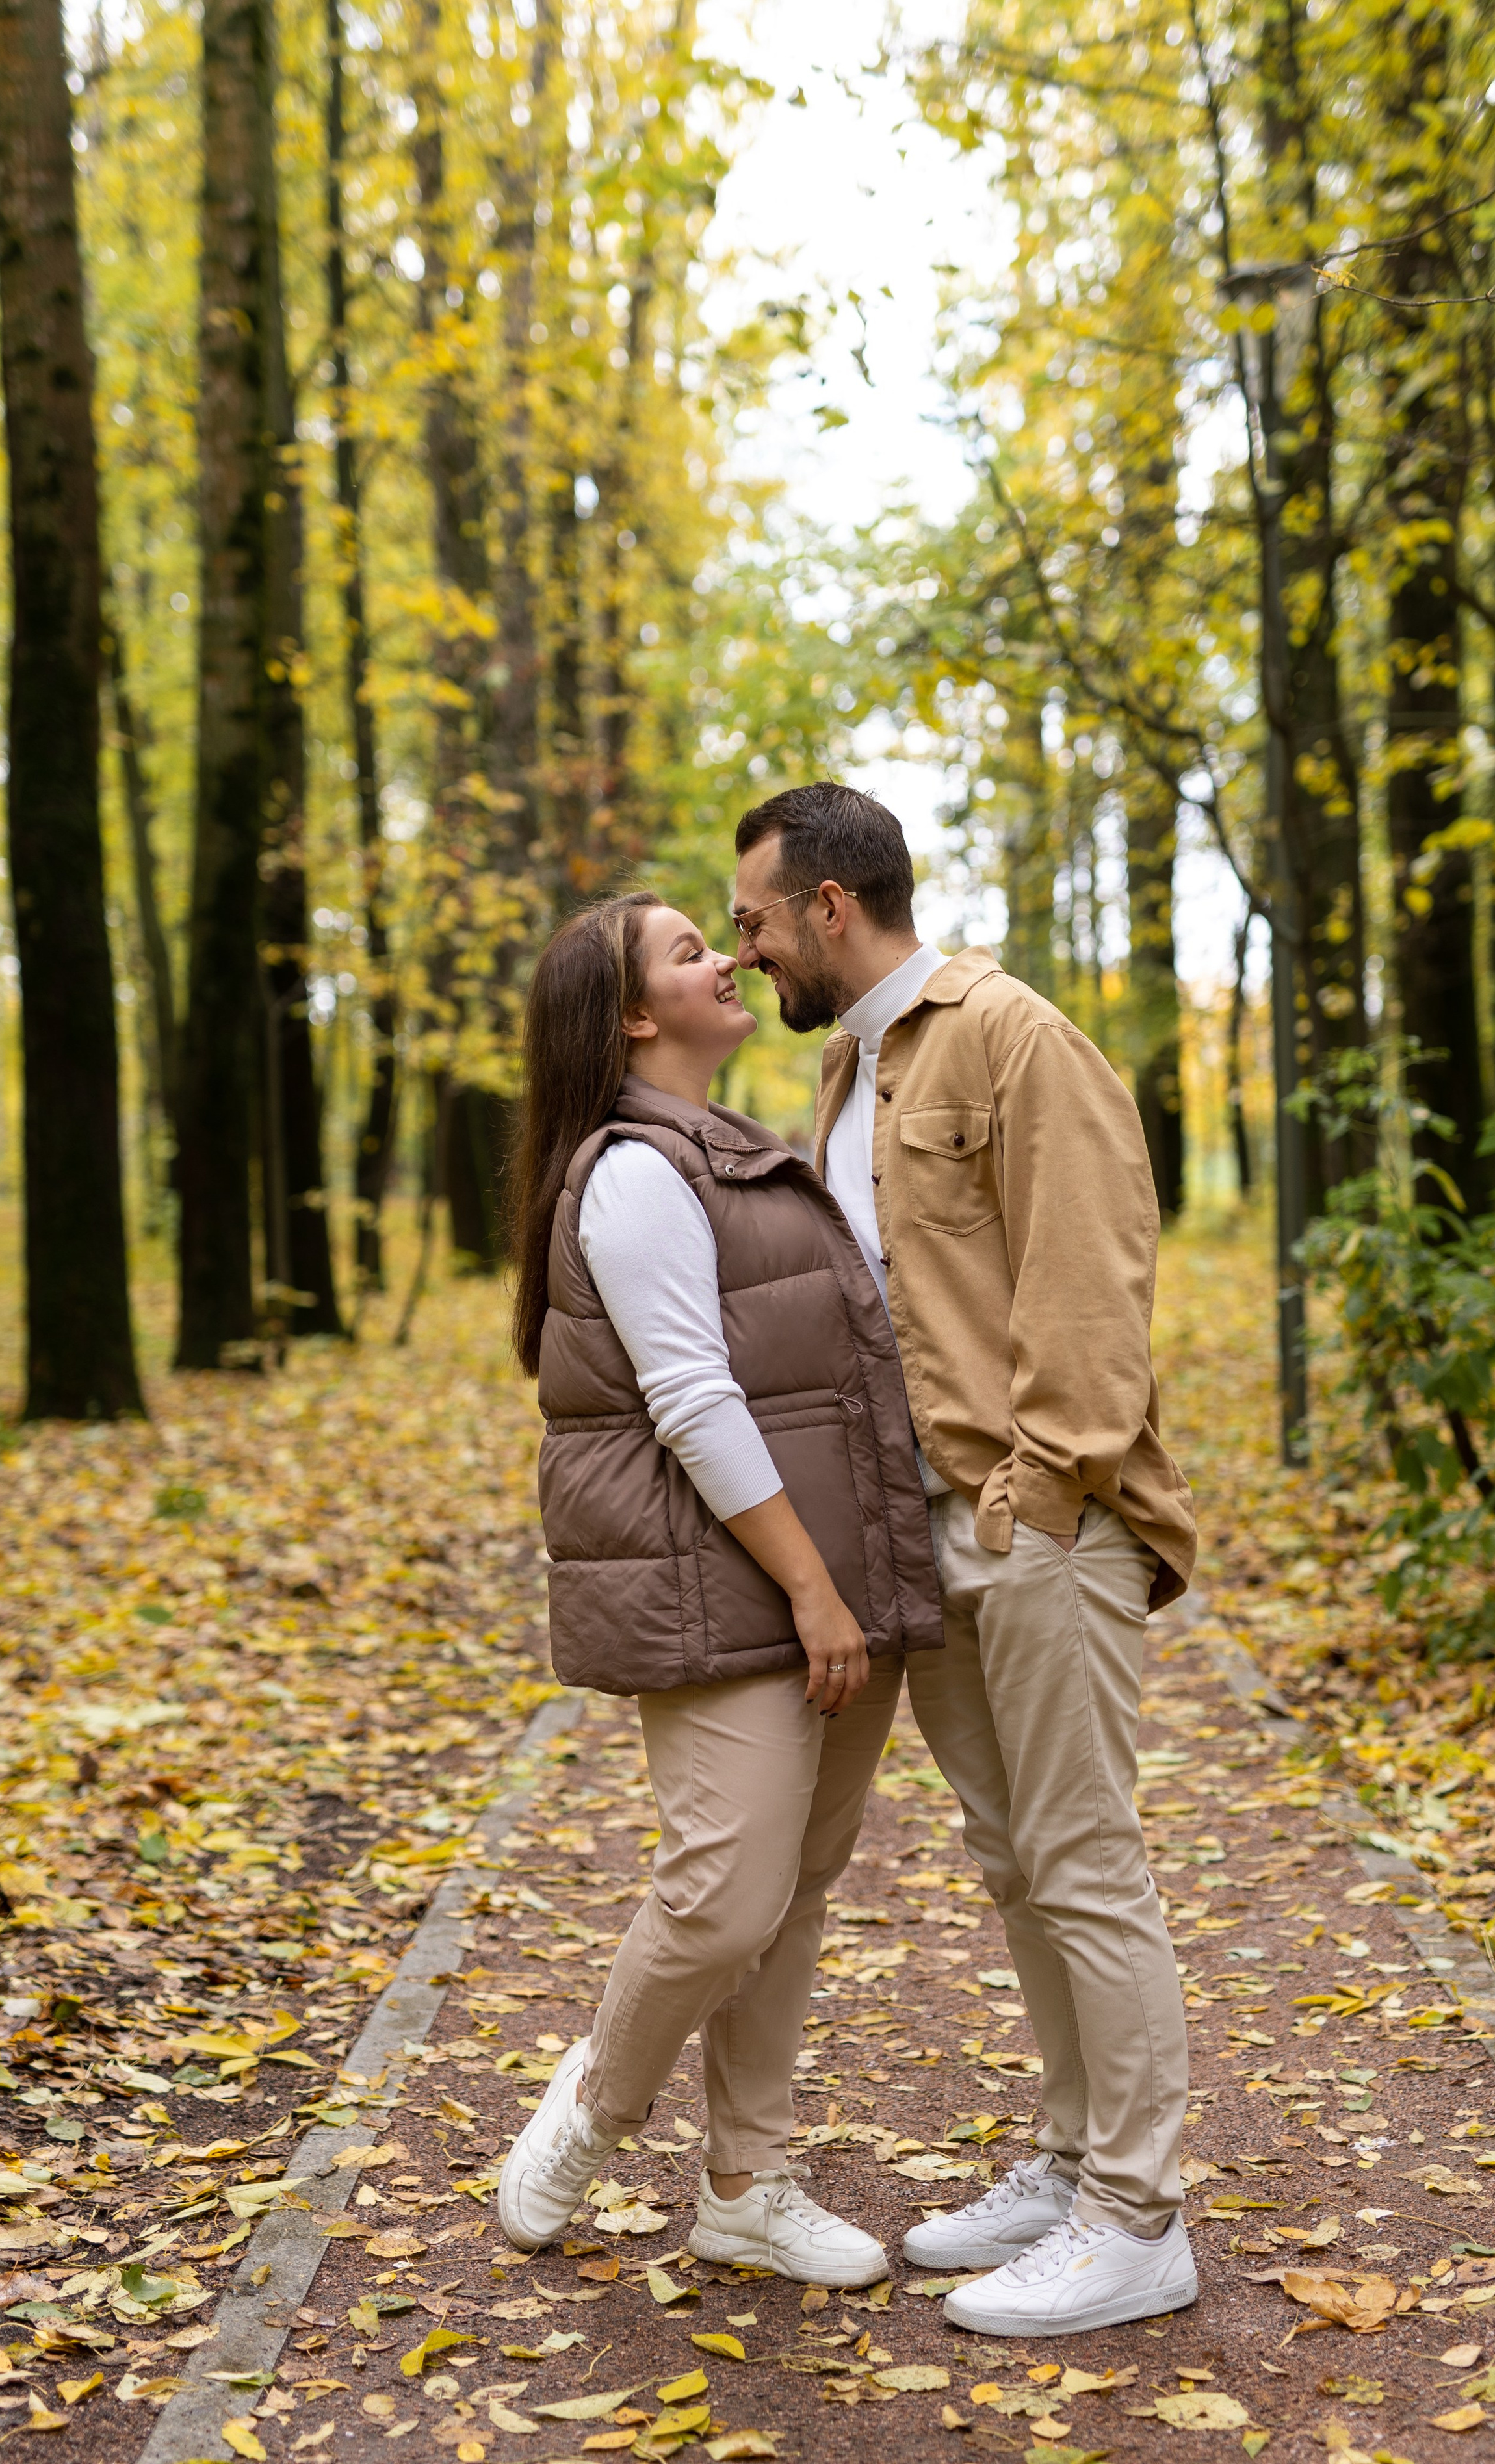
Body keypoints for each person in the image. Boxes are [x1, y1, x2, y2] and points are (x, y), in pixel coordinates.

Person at [731, 782, 1201, 2339]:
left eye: (753, 921)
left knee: (1082, 1859)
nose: (742, 953)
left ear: (830, 906)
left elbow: (1091, 1276)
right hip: (930, 1532)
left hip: (1036, 1523)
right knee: (1014, 1862)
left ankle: (1137, 2218)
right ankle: (1071, 2166)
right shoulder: (848, 1066)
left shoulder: (1010, 1036)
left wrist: (1040, 1493)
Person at [495, 889, 942, 2285]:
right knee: (725, 1897)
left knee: (792, 1892)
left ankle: (747, 2184)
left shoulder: (731, 1144)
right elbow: (692, 1400)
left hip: (822, 1576)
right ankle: (594, 2105)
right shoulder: (636, 1171)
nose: (730, 958)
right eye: (691, 952)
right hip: (731, 1586)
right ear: (635, 1017)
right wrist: (814, 1589)